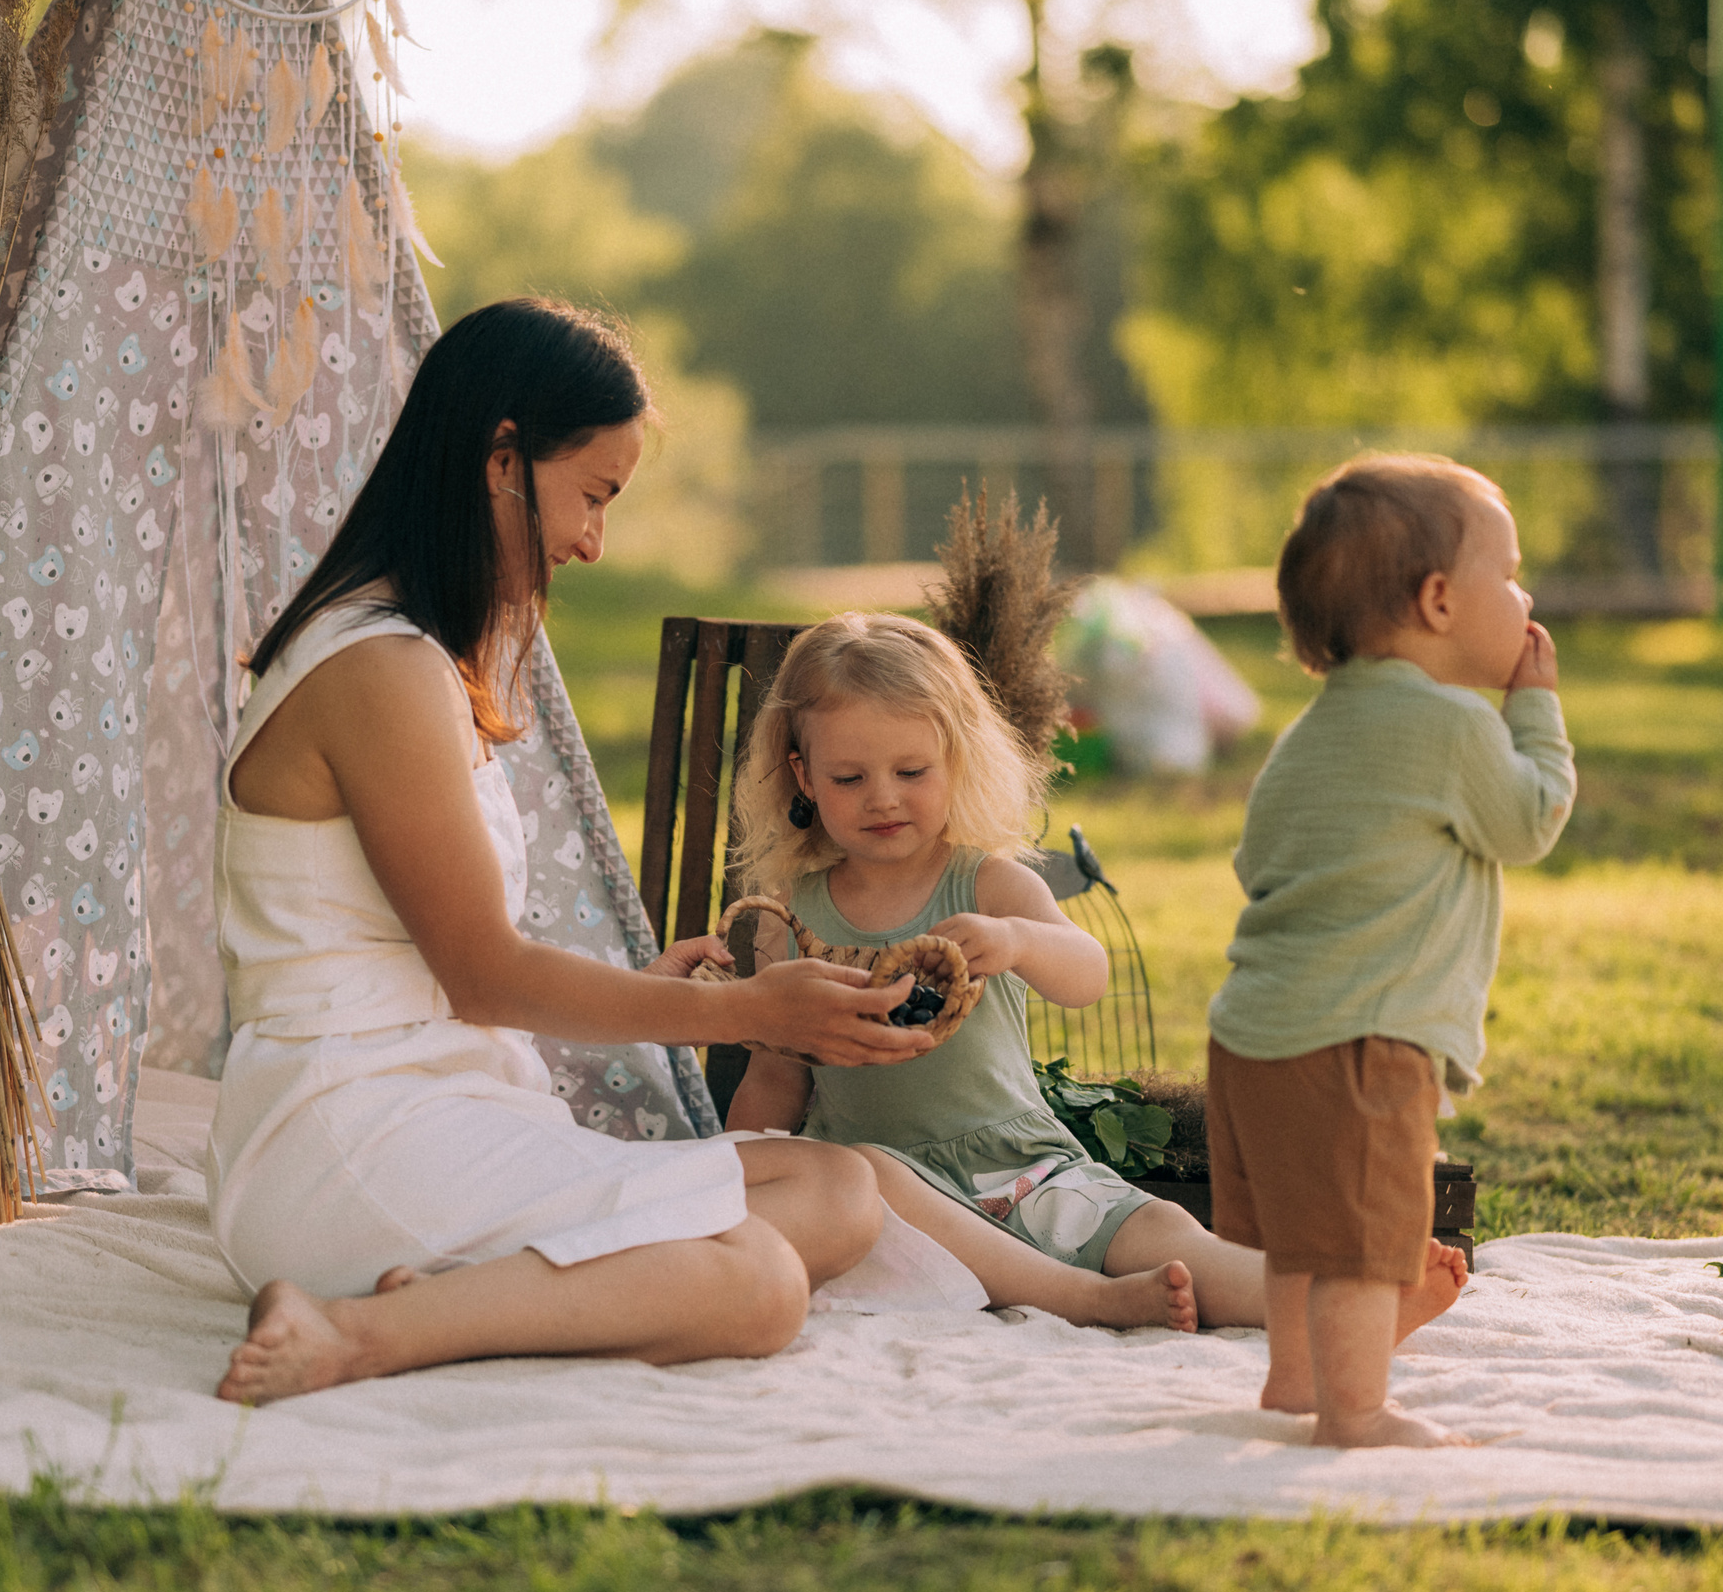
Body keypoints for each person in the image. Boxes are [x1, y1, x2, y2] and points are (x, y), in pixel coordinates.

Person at [207, 299, 935, 1404]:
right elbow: (484, 974)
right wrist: (754, 1011)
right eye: (591, 494)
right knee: (760, 1288)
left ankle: (465, 1292)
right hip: (346, 1128)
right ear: (503, 459)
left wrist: (647, 992)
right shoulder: (380, 670)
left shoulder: (421, 657)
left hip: (449, 1099)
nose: (594, 539)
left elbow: (443, 972)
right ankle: (356, 1329)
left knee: (835, 1190)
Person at [720, 613, 1470, 1337]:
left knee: (1166, 1231)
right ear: (803, 776)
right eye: (849, 777)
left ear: (956, 758)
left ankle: (1345, 1309)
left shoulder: (987, 886)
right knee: (870, 1167)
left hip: (1018, 1169)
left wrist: (1017, 940)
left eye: (911, 770)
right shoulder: (791, 922)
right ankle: (1086, 1300)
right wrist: (733, 1173)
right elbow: (776, 1078)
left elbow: (1088, 974)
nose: (882, 796)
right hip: (892, 1203)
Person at [1207, 454, 1575, 1449]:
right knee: (1366, 1247)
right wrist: (1534, 707)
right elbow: (1530, 818)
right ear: (1440, 599)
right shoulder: (1456, 724)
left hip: (1250, 1034)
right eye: (1509, 573)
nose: (1525, 595)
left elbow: (1257, 860)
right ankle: (1355, 1408)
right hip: (1362, 1037)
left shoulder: (1306, 735)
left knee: (1299, 1234)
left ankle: (1294, 1379)